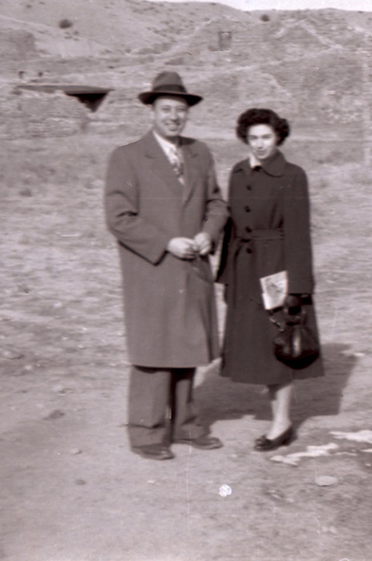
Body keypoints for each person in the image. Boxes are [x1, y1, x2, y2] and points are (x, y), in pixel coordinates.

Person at [104, 71, 228, 461]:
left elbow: (216, 203)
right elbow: (119, 217)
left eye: (180, 110)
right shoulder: (126, 156)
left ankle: (187, 427)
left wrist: (209, 233)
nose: (174, 117)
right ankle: (146, 433)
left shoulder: (200, 153)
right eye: (166, 110)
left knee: (187, 347)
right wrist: (165, 242)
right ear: (152, 111)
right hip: (152, 269)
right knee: (153, 352)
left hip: (192, 268)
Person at [217, 108, 323, 451]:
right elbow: (232, 229)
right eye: (253, 138)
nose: (260, 144)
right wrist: (227, 276)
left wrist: (298, 288)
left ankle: (282, 422)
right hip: (244, 269)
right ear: (244, 139)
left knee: (281, 342)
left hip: (276, 268)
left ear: (278, 137)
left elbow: (298, 234)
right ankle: (278, 416)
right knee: (258, 344)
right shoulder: (236, 173)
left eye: (266, 137)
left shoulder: (293, 175)